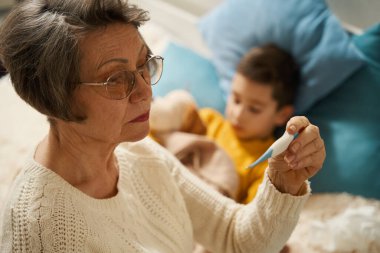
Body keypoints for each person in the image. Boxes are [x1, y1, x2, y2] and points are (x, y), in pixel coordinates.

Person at [0, 1, 325, 253]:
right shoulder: (40, 234)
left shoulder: (138, 151)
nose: (145, 91)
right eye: (116, 80)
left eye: (144, 64)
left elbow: (234, 237)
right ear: (55, 100)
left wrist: (284, 183)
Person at [199, 44, 300, 203]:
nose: (238, 114)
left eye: (254, 109)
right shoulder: (206, 121)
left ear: (282, 115)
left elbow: (248, 219)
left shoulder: (268, 166)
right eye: (236, 99)